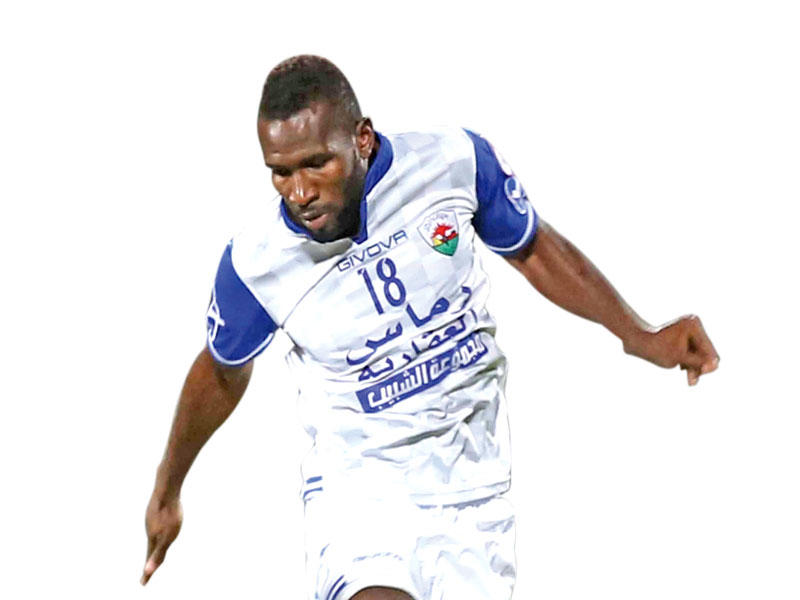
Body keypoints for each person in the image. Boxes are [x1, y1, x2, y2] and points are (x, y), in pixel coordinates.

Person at [141, 55, 719, 600]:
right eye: (280, 173)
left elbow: (534, 250)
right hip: (360, 495)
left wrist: (639, 335)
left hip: (474, 489)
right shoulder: (258, 264)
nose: (300, 193)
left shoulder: (452, 163)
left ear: (362, 138)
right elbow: (222, 372)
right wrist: (168, 490)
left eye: (317, 164)